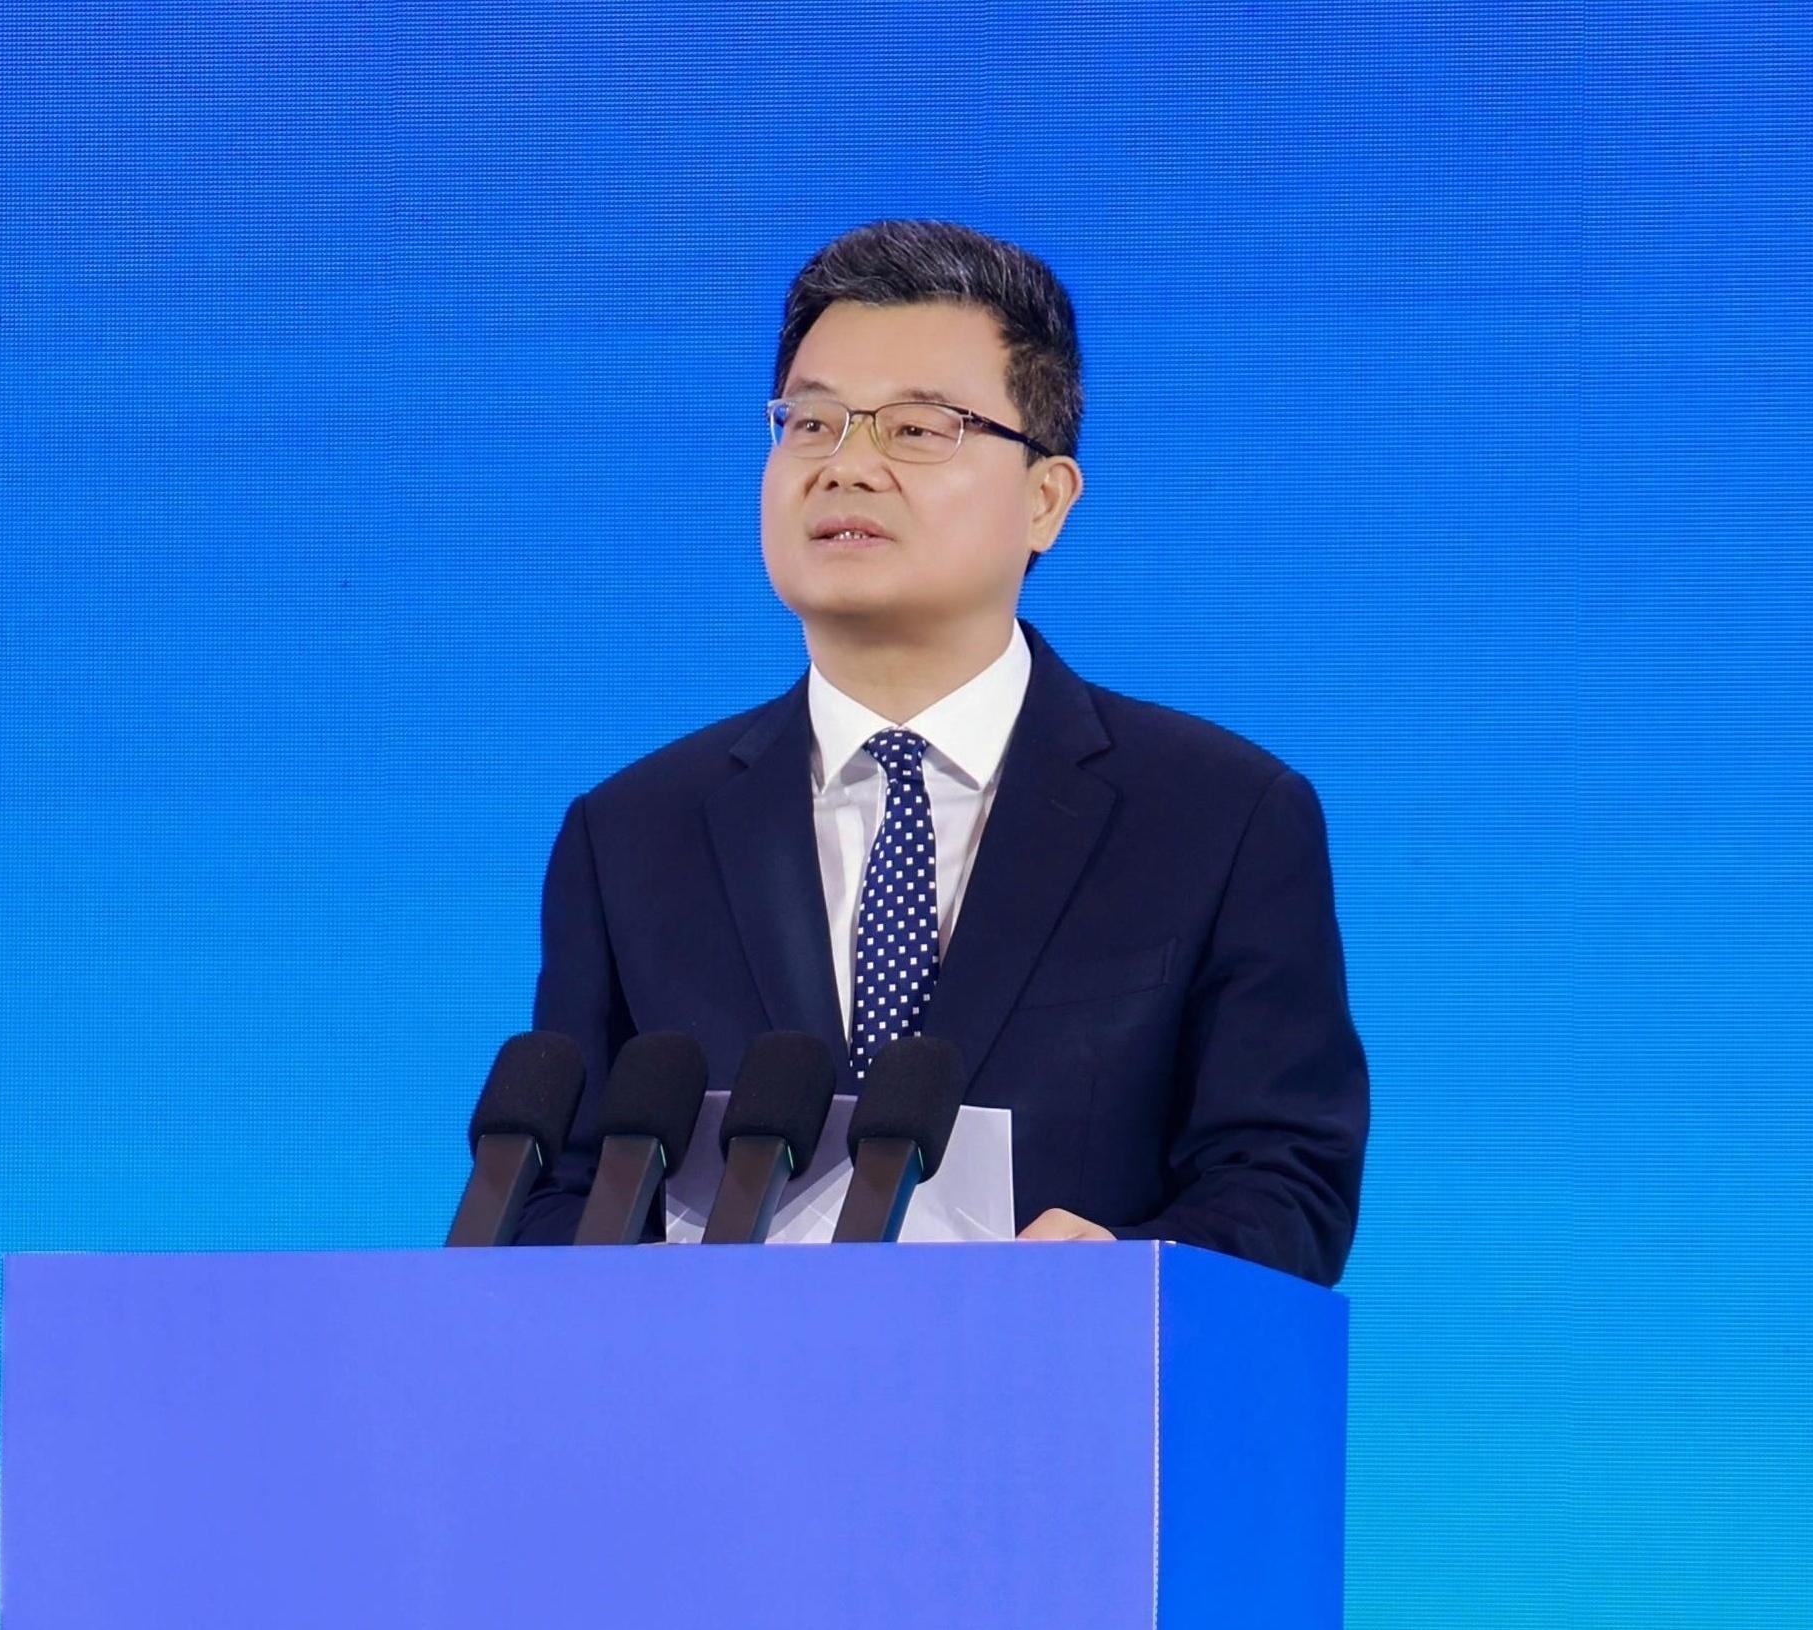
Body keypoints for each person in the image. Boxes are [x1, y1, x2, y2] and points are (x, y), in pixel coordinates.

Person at [512, 219, 1368, 1284]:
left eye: (916, 429)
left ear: (1045, 500)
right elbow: (556, 1189)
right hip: (718, 1390)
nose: (846, 467)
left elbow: (1285, 1184)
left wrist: (1119, 1270)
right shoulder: (633, 833)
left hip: (1064, 1383)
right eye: (811, 423)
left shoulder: (1218, 815)